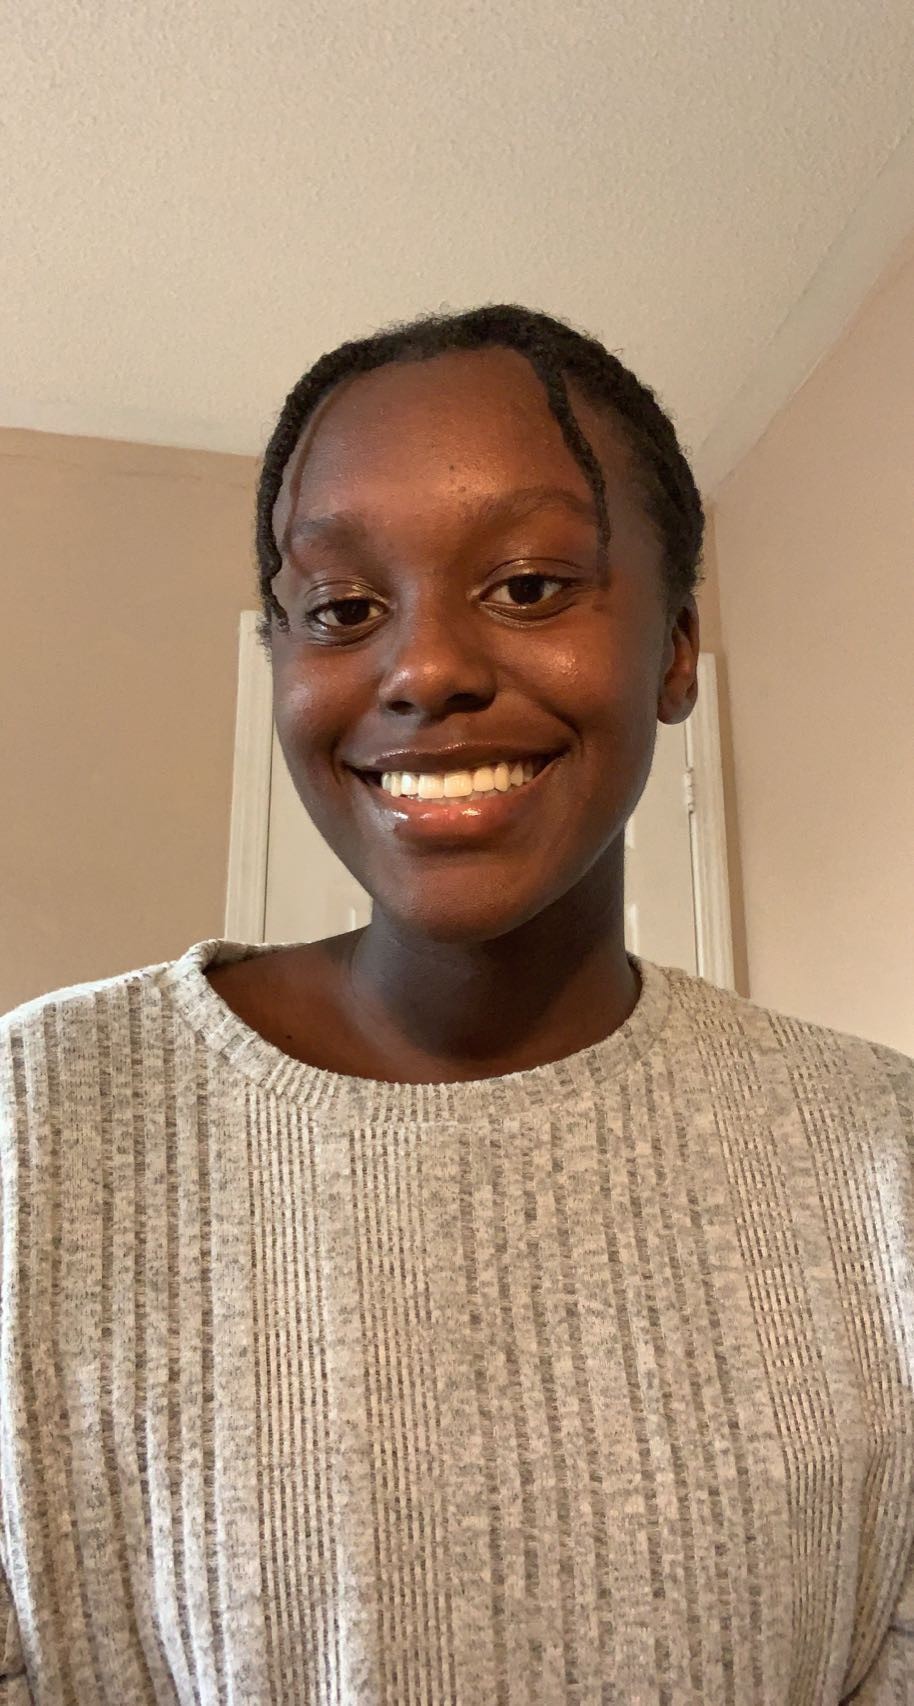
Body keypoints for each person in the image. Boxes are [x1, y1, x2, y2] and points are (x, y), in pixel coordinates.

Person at [1, 305, 912, 1704]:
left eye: (531, 585)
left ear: (676, 649)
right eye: (341, 609)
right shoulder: (37, 1124)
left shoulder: (879, 1151)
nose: (424, 668)